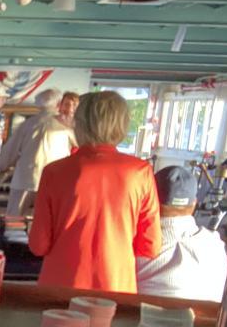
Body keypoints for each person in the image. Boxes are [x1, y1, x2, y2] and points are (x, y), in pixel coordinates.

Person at [29, 91, 161, 292]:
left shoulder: (54, 172)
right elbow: (150, 246)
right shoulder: (140, 172)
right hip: (116, 286)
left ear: (78, 123)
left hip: (60, 287)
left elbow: (39, 245)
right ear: (122, 125)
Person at [136, 167, 227, 303]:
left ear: (149, 199)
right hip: (204, 316)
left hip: (140, 315)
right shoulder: (216, 245)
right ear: (194, 203)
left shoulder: (133, 244)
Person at [0, 89, 76, 217]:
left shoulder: (27, 124)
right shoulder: (66, 127)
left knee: (14, 220)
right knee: (47, 220)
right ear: (58, 104)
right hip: (53, 182)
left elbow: (8, 154)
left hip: (25, 180)